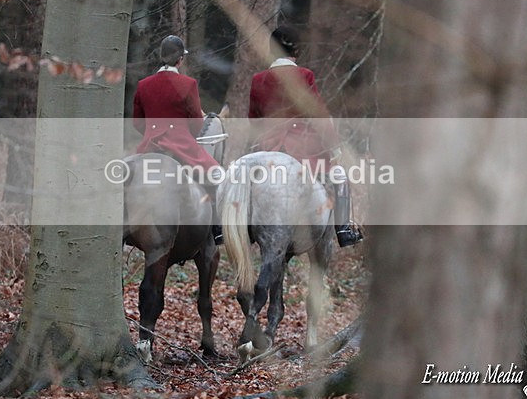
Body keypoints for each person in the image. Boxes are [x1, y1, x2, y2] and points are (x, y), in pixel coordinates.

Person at [249, 25, 363, 247]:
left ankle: (234, 228)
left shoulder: (257, 79)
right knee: (340, 178)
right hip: (301, 148)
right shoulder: (304, 75)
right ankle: (343, 230)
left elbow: (253, 120)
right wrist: (335, 148)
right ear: (297, 51)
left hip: (268, 148)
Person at [133, 35, 224, 244]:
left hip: (149, 146)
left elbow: (137, 123)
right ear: (180, 60)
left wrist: (151, 134)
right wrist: (185, 134)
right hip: (180, 146)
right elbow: (196, 124)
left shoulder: (143, 85)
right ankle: (217, 229)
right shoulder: (188, 84)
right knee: (217, 175)